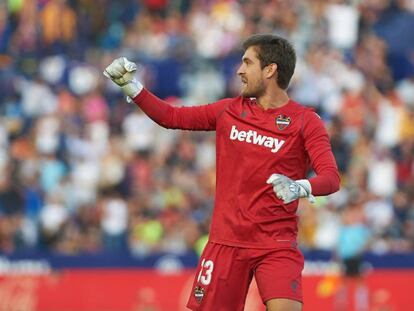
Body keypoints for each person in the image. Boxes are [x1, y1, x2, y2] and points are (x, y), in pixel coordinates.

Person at [104, 34, 340, 311]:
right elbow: (172, 117)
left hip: (276, 245)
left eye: (247, 63)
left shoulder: (305, 121)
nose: (239, 70)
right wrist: (132, 87)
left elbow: (331, 178)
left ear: (270, 70)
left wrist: (300, 186)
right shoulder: (229, 111)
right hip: (225, 244)